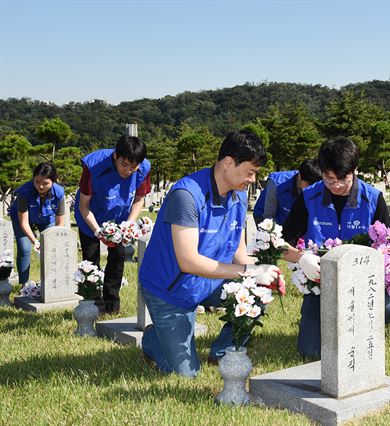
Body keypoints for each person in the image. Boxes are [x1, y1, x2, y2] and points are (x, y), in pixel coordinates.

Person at [139, 130, 280, 378]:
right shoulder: (187, 196)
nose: (253, 179)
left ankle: (224, 351)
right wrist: (250, 271)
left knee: (258, 292)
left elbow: (238, 252)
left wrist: (260, 276)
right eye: (250, 172)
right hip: (172, 290)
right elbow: (188, 261)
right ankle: (153, 339)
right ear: (228, 163)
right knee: (185, 374)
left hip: (211, 281)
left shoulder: (238, 196)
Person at [281, 137, 390, 360]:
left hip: (362, 281)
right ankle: (329, 318)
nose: (335, 186)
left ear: (355, 170)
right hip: (321, 283)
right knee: (311, 352)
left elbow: (387, 247)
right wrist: (300, 258)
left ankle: (354, 321)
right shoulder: (309, 197)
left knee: (389, 308)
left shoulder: (372, 199)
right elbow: (280, 241)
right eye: (329, 179)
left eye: (342, 180)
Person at [74, 135, 151, 314]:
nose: (129, 171)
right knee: (91, 259)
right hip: (91, 217)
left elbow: (139, 198)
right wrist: (98, 231)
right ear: (116, 156)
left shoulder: (143, 168)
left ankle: (112, 304)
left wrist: (128, 225)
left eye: (134, 167)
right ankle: (95, 305)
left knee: (117, 258)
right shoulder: (93, 166)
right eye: (125, 165)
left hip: (119, 218)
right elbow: (84, 206)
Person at [8, 162, 65, 285]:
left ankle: (51, 284)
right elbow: (24, 222)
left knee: (51, 247)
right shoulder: (24, 192)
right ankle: (24, 285)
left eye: (46, 183)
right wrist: (35, 241)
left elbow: (60, 223)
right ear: (33, 178)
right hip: (22, 219)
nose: (41, 186)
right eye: (37, 181)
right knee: (24, 248)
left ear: (53, 181)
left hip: (45, 218)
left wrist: (54, 239)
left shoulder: (59, 193)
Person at [252, 158, 321, 225]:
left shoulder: (316, 183)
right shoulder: (276, 183)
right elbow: (269, 216)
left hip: (289, 219)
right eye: (309, 185)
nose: (312, 188)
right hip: (265, 216)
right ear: (299, 176)